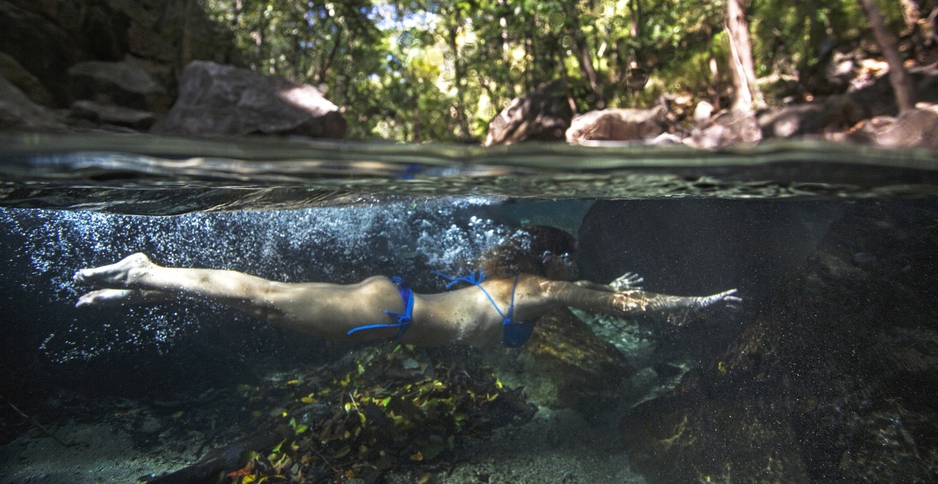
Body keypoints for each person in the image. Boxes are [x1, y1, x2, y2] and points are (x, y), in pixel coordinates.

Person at [73, 227, 740, 349]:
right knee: (265, 298)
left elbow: (601, 289)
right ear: (556, 259)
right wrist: (685, 306)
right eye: (574, 262)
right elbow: (605, 298)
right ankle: (146, 269)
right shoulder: (535, 285)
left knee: (266, 313)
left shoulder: (510, 279)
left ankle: (141, 293)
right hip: (386, 312)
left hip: (388, 308)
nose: (574, 273)